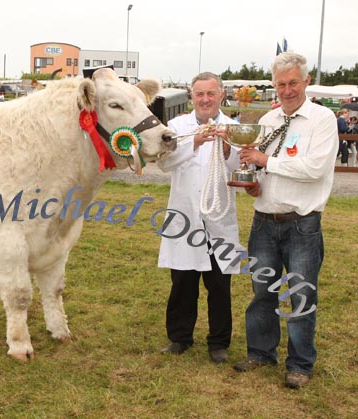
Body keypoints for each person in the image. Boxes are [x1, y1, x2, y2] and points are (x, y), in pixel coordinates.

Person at [234, 52, 337, 389]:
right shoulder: (269, 119)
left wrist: (266, 160)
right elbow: (265, 166)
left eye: (293, 82)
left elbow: (314, 169)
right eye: (281, 84)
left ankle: (300, 364)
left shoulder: (322, 120)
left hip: (301, 224)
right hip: (263, 220)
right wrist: (255, 184)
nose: (287, 90)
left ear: (306, 81)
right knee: (262, 290)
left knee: (300, 296)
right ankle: (261, 351)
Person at [157, 72, 242, 364]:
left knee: (219, 283)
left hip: (219, 217)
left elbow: (237, 165)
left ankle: (218, 342)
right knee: (182, 280)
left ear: (221, 95)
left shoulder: (234, 126)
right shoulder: (176, 126)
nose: (205, 99)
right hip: (185, 216)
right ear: (191, 96)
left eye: (211, 94)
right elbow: (164, 162)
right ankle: (179, 337)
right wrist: (194, 141)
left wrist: (227, 144)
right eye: (199, 94)